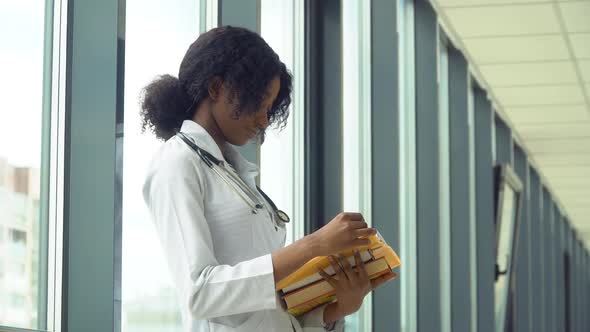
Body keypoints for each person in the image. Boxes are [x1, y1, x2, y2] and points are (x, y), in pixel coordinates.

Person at [141, 26, 394, 332]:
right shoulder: (177, 163)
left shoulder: (235, 174)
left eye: (268, 109)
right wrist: (313, 246)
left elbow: (266, 311)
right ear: (216, 88)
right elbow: (200, 293)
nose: (263, 120)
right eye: (257, 104)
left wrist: (336, 309)